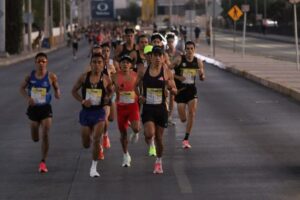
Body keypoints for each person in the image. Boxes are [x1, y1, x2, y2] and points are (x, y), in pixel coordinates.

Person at [136, 46, 177, 174]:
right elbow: (134, 86)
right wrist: (140, 97)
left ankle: (158, 161)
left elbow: (175, 90)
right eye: (156, 55)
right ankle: (149, 138)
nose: (158, 58)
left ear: (163, 58)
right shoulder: (144, 71)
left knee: (159, 138)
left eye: (160, 56)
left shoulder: (166, 72)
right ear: (151, 57)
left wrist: (171, 88)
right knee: (149, 133)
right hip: (148, 107)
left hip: (161, 109)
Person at [71, 54, 113, 177]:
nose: (96, 65)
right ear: (91, 64)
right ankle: (93, 146)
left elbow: (111, 91)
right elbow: (73, 91)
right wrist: (82, 101)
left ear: (103, 64)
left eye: (99, 62)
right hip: (86, 113)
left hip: (99, 112)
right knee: (86, 144)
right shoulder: (84, 78)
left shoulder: (106, 79)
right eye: (94, 62)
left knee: (95, 139)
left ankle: (93, 167)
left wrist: (107, 97)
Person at [20, 52, 61, 173]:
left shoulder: (51, 76)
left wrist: (57, 92)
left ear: (47, 63)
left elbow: (56, 87)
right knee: (35, 137)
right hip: (33, 109)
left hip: (45, 108)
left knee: (46, 134)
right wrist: (28, 98)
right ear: (35, 63)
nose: (41, 63)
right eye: (39, 61)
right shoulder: (30, 76)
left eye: (43, 61)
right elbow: (21, 88)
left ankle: (43, 162)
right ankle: (35, 135)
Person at [171, 41, 205, 149]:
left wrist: (201, 75)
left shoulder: (198, 62)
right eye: (188, 49)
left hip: (191, 90)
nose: (189, 51)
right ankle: (183, 119)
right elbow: (168, 70)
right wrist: (178, 77)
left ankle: (186, 139)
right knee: (183, 119)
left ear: (194, 50)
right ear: (185, 50)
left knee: (192, 113)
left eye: (191, 49)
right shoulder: (179, 59)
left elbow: (202, 77)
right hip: (180, 91)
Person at [112, 55, 141, 167]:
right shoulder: (114, 76)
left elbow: (139, 89)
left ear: (131, 65)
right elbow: (109, 89)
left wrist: (141, 97)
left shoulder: (136, 75)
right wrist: (114, 91)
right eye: (123, 62)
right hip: (120, 107)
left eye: (127, 63)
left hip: (133, 106)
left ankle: (135, 132)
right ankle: (125, 155)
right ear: (120, 64)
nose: (125, 64)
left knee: (136, 128)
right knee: (123, 133)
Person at [101, 42, 117, 150]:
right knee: (105, 117)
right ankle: (105, 136)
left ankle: (105, 133)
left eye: (107, 51)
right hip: (102, 95)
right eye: (103, 51)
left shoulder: (112, 65)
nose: (105, 53)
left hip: (112, 94)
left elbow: (116, 80)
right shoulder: (97, 64)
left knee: (111, 118)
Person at [165, 32, 182, 126]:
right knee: (165, 97)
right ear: (167, 43)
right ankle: (164, 116)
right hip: (166, 78)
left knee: (172, 98)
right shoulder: (164, 53)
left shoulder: (179, 54)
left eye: (172, 42)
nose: (170, 43)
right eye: (169, 42)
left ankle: (169, 117)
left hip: (175, 79)